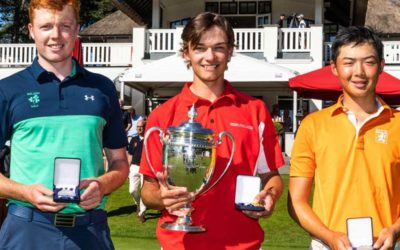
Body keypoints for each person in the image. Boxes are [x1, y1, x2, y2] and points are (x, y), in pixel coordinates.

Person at [140, 12, 284, 249]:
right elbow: (148, 189)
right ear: (186, 53)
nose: (210, 57)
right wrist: (161, 198)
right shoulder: (163, 114)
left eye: (219, 47)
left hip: (242, 243)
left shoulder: (255, 110)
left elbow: (271, 176)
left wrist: (270, 196)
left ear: (230, 52)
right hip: (180, 243)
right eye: (200, 48)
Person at [0, 0, 129, 249]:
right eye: (46, 26)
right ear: (31, 30)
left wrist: (102, 185)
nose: (56, 36)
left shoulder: (102, 88)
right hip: (28, 230)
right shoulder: (7, 90)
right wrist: (24, 192)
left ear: (77, 28)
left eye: (65, 26)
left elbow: (119, 163)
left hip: (90, 229)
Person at [288, 26, 400, 250]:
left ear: (381, 67)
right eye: (348, 62)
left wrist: (395, 229)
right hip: (327, 246)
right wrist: (329, 236)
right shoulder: (313, 125)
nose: (358, 72)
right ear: (334, 68)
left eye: (368, 62)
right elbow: (296, 202)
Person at [128, 119, 147, 223]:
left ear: (145, 127)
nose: (139, 128)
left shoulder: (149, 139)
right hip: (134, 167)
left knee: (143, 190)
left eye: (141, 126)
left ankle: (142, 213)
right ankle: (138, 203)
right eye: (138, 127)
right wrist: (128, 168)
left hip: (145, 168)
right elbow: (130, 155)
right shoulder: (133, 139)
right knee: (132, 190)